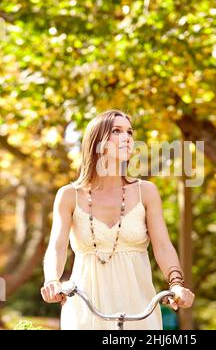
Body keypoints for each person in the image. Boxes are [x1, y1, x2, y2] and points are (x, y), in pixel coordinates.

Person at [40, 109, 195, 330]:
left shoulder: (146, 192)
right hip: (85, 307)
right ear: (97, 142)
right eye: (117, 131)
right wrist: (52, 281)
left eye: (130, 132)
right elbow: (56, 247)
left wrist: (176, 284)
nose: (128, 138)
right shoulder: (68, 195)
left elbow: (162, 245)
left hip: (139, 308)